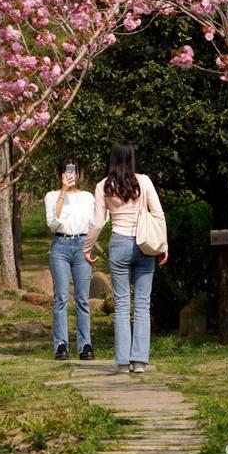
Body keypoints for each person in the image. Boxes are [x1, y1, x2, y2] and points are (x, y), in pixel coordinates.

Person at [83, 142, 167, 373]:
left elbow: (97, 222)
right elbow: (158, 214)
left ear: (112, 159)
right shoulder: (144, 181)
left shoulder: (103, 186)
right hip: (144, 244)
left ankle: (122, 361)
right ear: (131, 158)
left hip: (119, 244)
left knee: (121, 304)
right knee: (142, 304)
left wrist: (87, 248)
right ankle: (139, 361)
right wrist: (164, 245)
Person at [44, 157, 96, 361]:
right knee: (61, 297)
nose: (71, 175)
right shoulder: (52, 196)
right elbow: (52, 222)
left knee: (83, 298)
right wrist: (63, 192)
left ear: (79, 173)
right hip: (60, 245)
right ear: (60, 174)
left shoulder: (87, 197)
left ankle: (85, 344)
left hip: (82, 245)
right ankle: (61, 345)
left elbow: (95, 223)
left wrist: (90, 246)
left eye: (74, 171)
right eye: (67, 171)